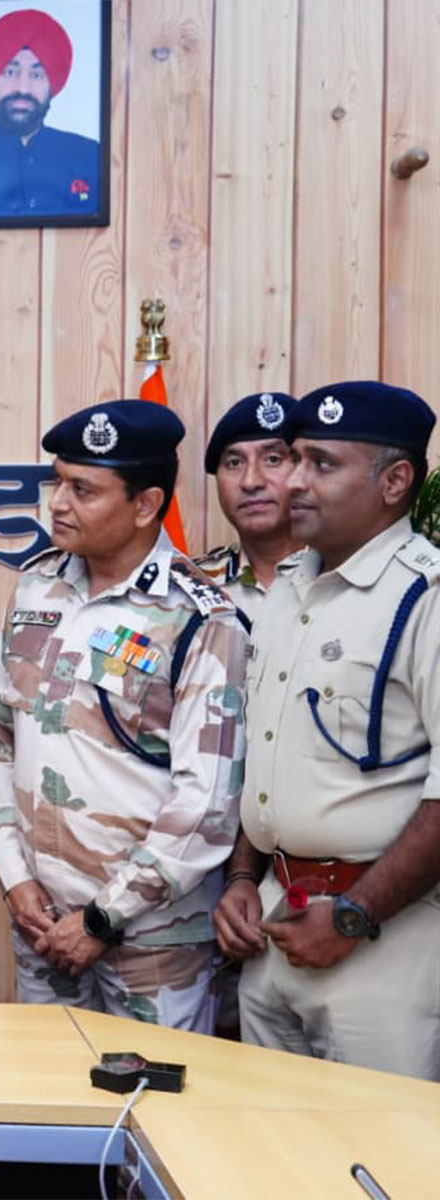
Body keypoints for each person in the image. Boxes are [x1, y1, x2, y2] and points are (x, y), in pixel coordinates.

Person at [0, 400, 247, 1032]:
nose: (58, 504)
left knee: (152, 1111)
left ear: (146, 505)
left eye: (83, 490)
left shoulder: (200, 617)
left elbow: (204, 801)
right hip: (41, 923)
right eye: (57, 483)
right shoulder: (38, 587)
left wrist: (103, 918)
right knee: (51, 1108)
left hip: (153, 941)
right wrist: (15, 880)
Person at [213, 382, 440, 1080]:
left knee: (383, 1166)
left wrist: (353, 916)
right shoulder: (288, 589)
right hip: (278, 928)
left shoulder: (425, 597)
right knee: (272, 1163)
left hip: (384, 943)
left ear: (395, 482)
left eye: (321, 464)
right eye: (298, 461)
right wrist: (244, 877)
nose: (294, 484)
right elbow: (274, 758)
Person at [0, 8, 101, 220]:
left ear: (53, 85)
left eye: (37, 75)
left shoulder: (90, 157)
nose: (23, 88)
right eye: (10, 72)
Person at [193, 392, 301, 622]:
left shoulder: (342, 576)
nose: (251, 481)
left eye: (273, 459)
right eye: (234, 463)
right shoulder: (191, 586)